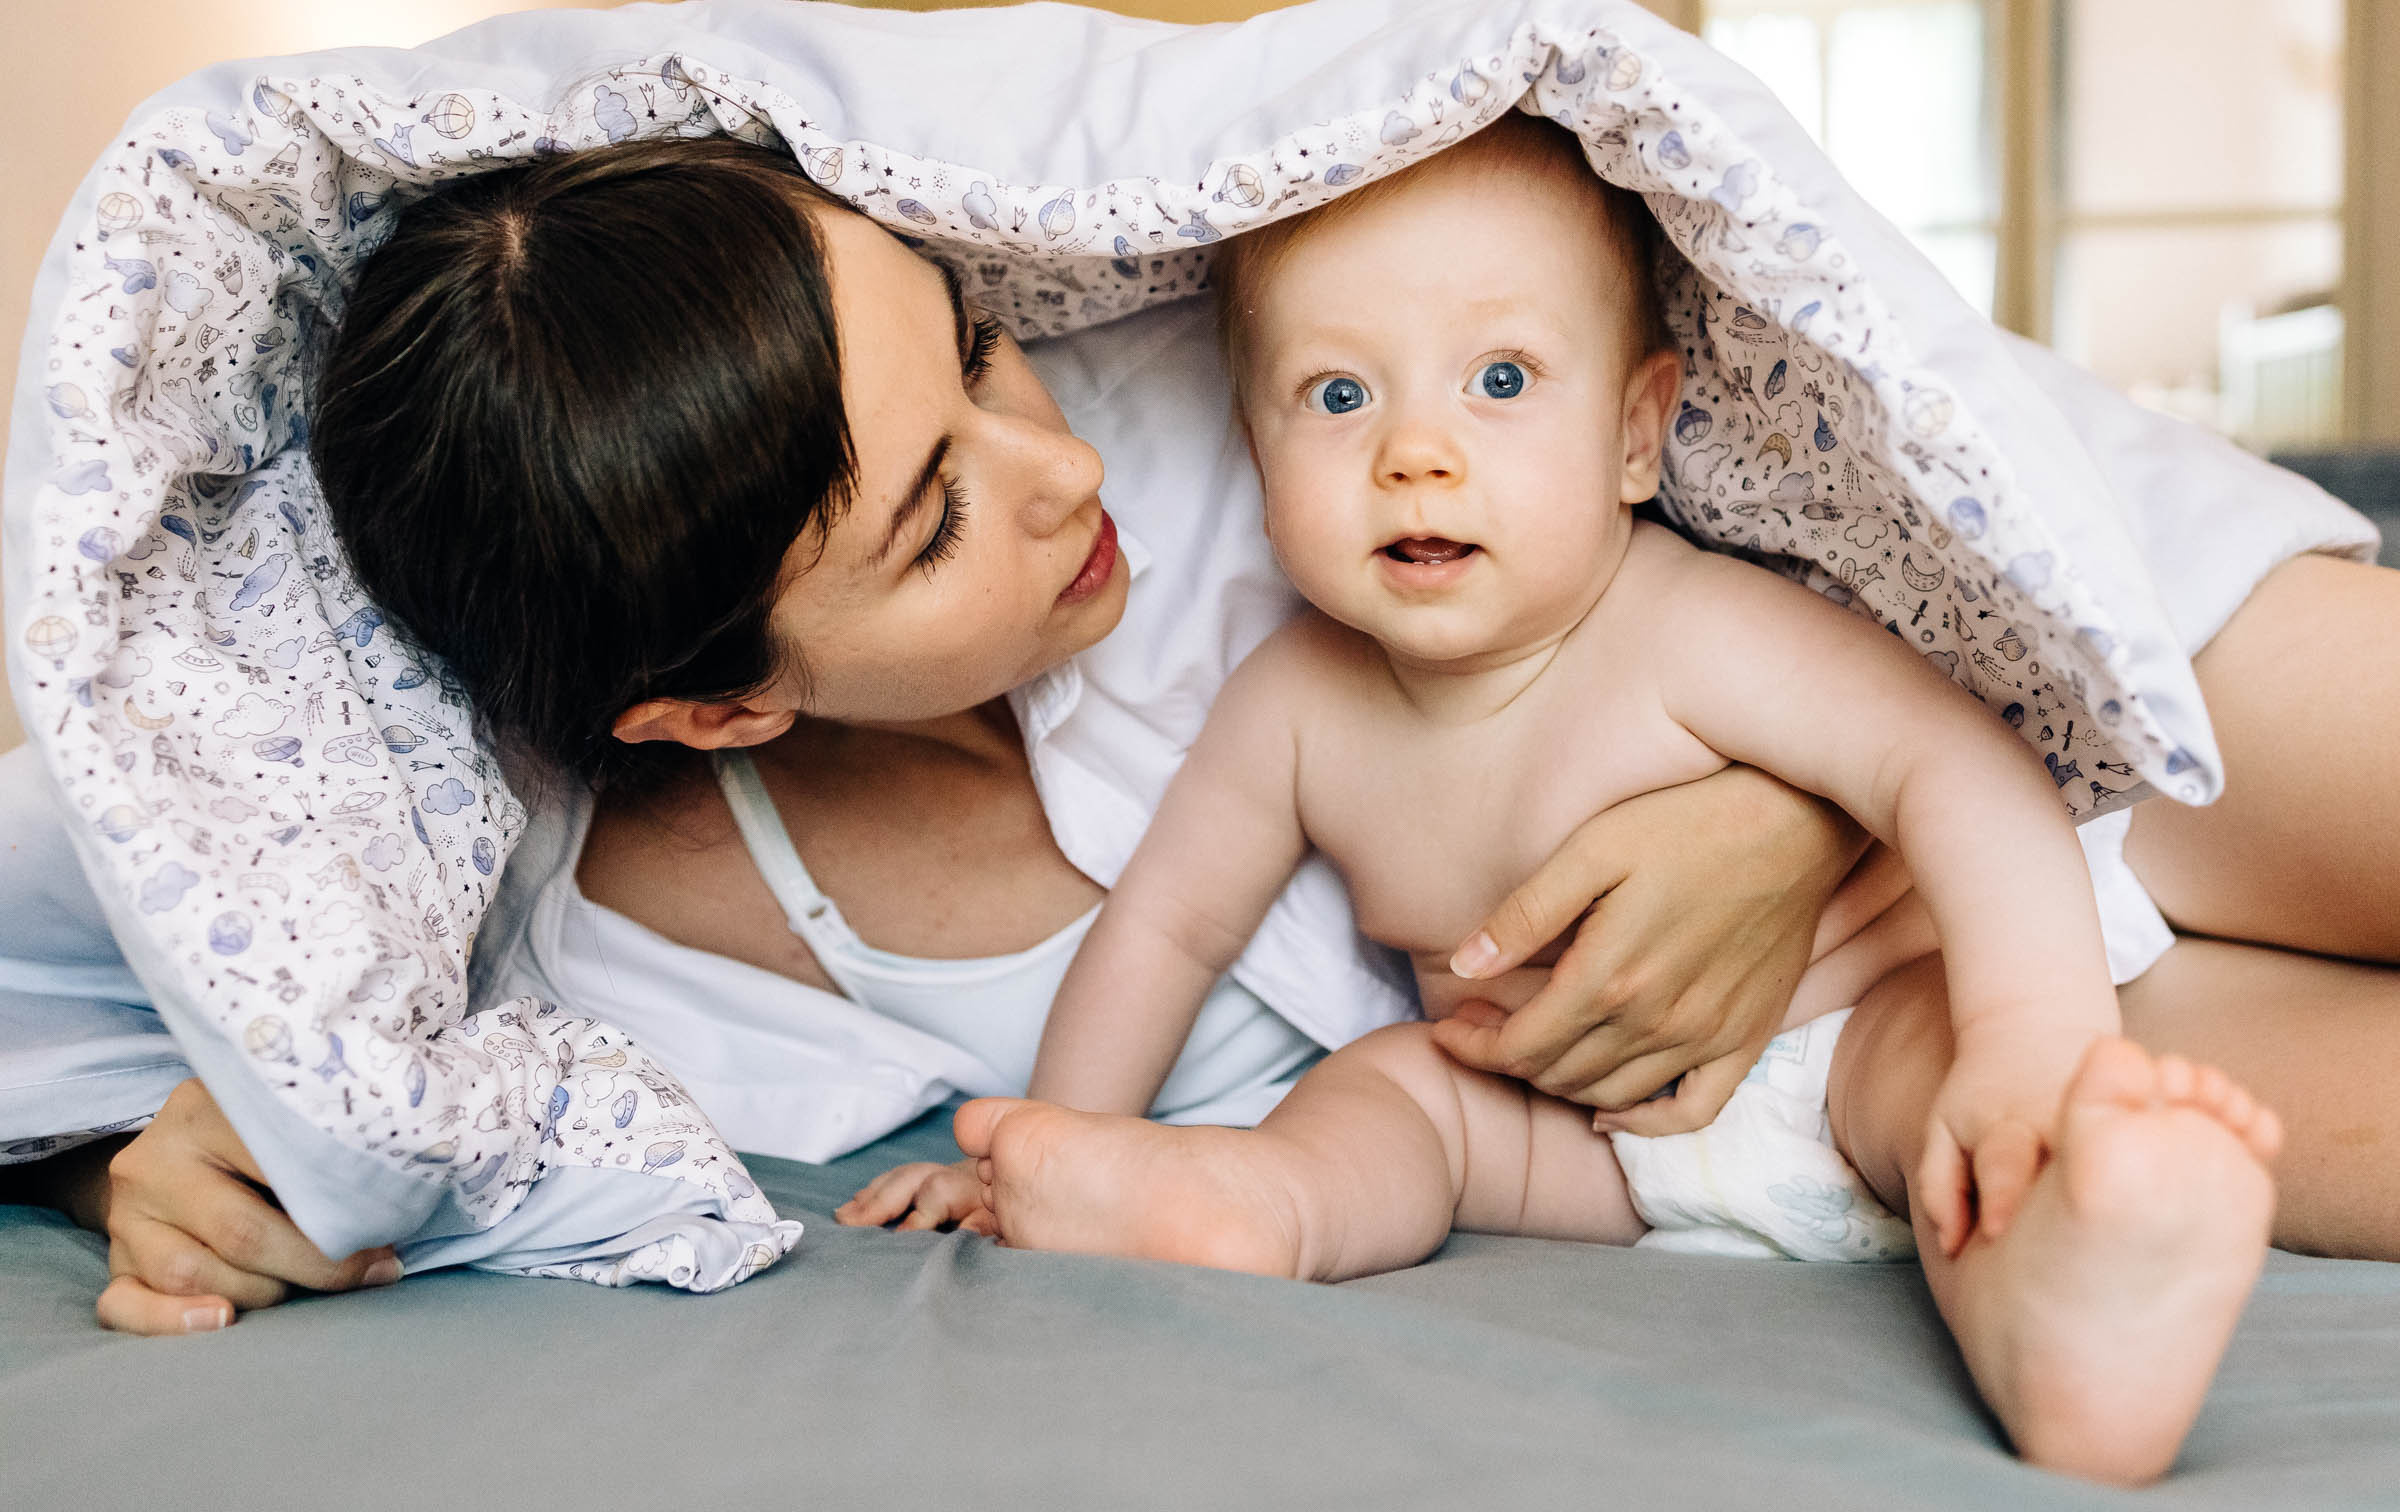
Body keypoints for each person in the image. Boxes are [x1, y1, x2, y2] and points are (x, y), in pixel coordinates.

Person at [9, 126, 2397, 1342]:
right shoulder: (574, 970)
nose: (1063, 480)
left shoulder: (1207, 398)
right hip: (1817, 1045)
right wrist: (214, 1132)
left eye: (978, 340)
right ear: (714, 698)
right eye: (937, 509)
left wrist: (1774, 799)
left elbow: (1601, 403)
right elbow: (136, 958)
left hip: (1972, 669)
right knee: (2201, 1144)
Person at [916, 116, 2276, 1484]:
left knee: (1959, 1138)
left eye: (1499, 378)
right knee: (1385, 1097)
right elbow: (1164, 930)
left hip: (1835, 1042)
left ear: (1637, 435)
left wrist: (2027, 1047)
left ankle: (2074, 1314)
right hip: (1562, 1141)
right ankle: (1250, 1211)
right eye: (1339, 397)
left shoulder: (1692, 628)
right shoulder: (1293, 709)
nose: (1416, 454)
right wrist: (1057, 1137)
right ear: (1254, 456)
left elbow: (1958, 766)